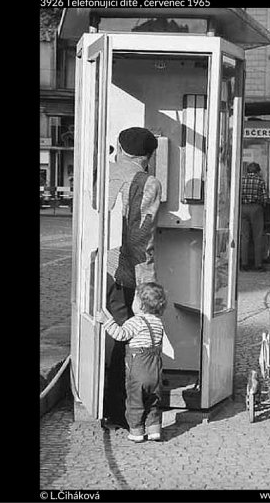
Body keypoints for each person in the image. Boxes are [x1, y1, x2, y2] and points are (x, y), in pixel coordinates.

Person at [103, 127, 162, 429]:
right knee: (134, 338)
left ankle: (106, 405)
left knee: (110, 334)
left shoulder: (104, 172)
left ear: (118, 147)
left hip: (103, 264)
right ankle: (129, 413)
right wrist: (147, 282)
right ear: (150, 156)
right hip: (130, 270)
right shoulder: (149, 182)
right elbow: (142, 236)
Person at [97, 282, 167, 443]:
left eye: (134, 300)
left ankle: (136, 432)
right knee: (153, 400)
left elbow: (120, 335)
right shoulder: (158, 322)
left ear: (141, 305)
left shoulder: (135, 322)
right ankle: (154, 430)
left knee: (135, 401)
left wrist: (105, 321)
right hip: (155, 368)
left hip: (138, 368)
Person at [239, 162, 267, 271]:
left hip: (243, 207)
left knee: (244, 237)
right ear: (258, 171)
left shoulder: (241, 180)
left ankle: (244, 263)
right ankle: (258, 264)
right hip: (256, 208)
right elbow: (264, 197)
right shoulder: (260, 181)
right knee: (258, 237)